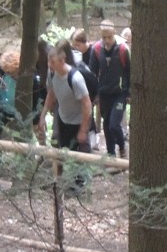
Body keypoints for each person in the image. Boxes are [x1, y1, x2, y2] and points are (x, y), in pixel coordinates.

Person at [37, 43, 93, 192]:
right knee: (64, 150)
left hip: (79, 120)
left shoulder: (75, 78)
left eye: (52, 62)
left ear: (62, 61)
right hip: (63, 118)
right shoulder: (52, 73)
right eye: (49, 62)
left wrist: (83, 129)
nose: (49, 65)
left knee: (81, 154)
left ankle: (81, 184)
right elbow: (51, 93)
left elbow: (87, 104)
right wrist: (43, 115)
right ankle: (62, 180)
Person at [87, 19, 131, 159]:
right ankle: (111, 153)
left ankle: (122, 147)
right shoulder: (96, 49)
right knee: (106, 125)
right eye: (104, 37)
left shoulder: (123, 49)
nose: (107, 40)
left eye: (109, 37)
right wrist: (94, 95)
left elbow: (129, 72)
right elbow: (92, 74)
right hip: (104, 94)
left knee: (114, 125)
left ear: (114, 33)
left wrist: (128, 93)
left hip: (119, 94)